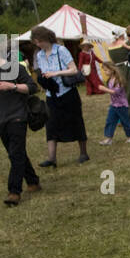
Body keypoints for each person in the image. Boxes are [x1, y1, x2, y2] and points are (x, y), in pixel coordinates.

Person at [0, 56, 40, 204]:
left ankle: (14, 192)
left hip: (18, 116)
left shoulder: (15, 68)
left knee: (15, 154)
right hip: (0, 119)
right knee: (16, 152)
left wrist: (12, 86)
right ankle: (33, 181)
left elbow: (33, 87)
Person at [32, 25, 89, 166]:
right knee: (51, 125)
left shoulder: (61, 50)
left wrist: (55, 73)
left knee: (76, 121)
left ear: (45, 38)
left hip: (67, 93)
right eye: (36, 42)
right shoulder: (39, 55)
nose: (37, 44)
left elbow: (73, 70)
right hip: (51, 94)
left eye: (39, 41)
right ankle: (52, 158)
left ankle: (83, 153)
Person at [97, 64, 130, 144]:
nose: (105, 72)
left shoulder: (118, 80)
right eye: (104, 70)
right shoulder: (110, 80)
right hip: (114, 105)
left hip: (121, 106)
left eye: (106, 70)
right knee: (110, 121)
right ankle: (108, 138)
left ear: (112, 70)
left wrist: (104, 89)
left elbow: (115, 92)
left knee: (125, 121)